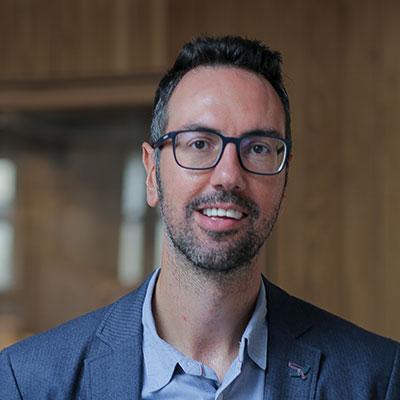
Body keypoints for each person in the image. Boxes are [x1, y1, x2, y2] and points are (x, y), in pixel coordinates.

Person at [0, 36, 399, 400]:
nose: (228, 175)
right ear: (153, 174)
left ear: (284, 178)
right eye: (199, 144)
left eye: (258, 148)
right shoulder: (28, 381)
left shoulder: (377, 378)